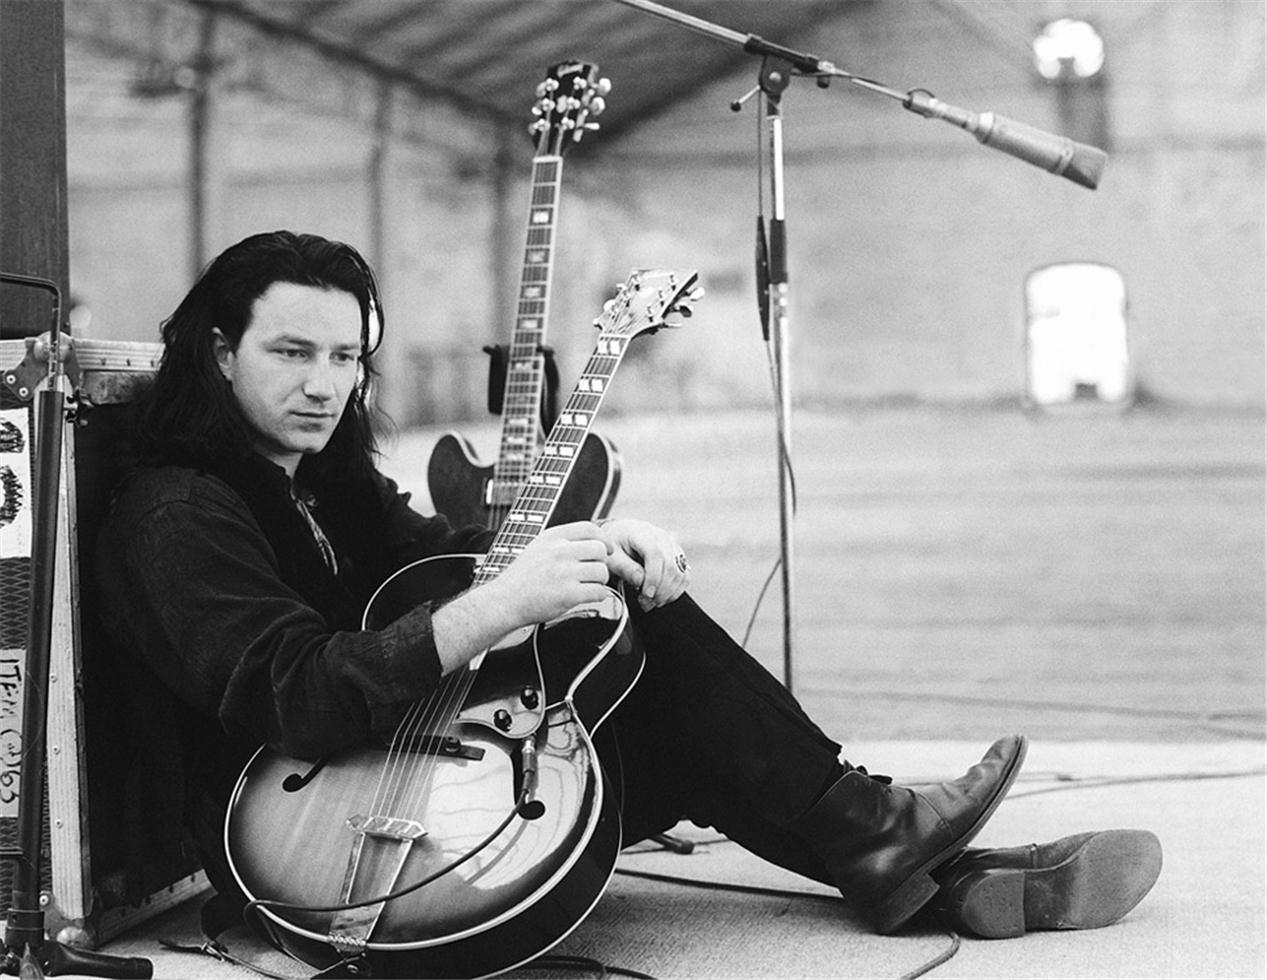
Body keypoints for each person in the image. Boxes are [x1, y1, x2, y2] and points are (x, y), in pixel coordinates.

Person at [95, 231, 1160, 973]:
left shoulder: (319, 471)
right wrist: (497, 604)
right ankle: (889, 840)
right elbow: (290, 691)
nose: (323, 384)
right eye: (291, 352)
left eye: (344, 357)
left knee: (623, 631)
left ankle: (902, 859)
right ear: (219, 351)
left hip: (389, 774)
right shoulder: (176, 509)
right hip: (301, 838)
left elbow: (439, 554)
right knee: (664, 684)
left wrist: (586, 547)